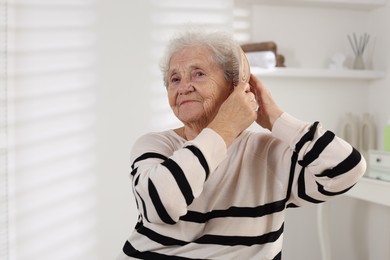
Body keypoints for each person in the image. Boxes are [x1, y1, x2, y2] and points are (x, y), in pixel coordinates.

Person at [117, 29, 366, 260]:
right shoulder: (156, 144)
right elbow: (161, 206)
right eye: (174, 79)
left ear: (235, 88)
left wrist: (275, 118)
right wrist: (224, 128)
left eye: (198, 74)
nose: (183, 87)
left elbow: (346, 171)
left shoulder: (266, 152)